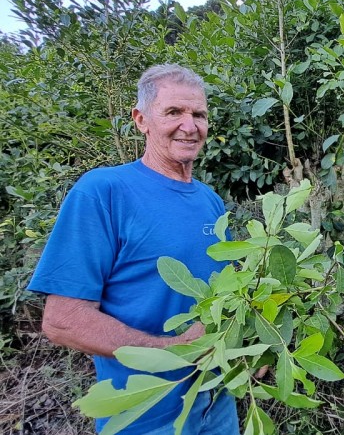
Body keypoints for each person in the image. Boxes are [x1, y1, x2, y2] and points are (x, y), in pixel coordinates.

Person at [27, 64, 239, 434]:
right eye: (174, 112)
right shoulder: (103, 191)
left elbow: (229, 291)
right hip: (144, 413)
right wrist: (173, 351)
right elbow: (63, 320)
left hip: (217, 402)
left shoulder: (210, 201)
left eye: (199, 114)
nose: (190, 126)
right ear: (141, 120)